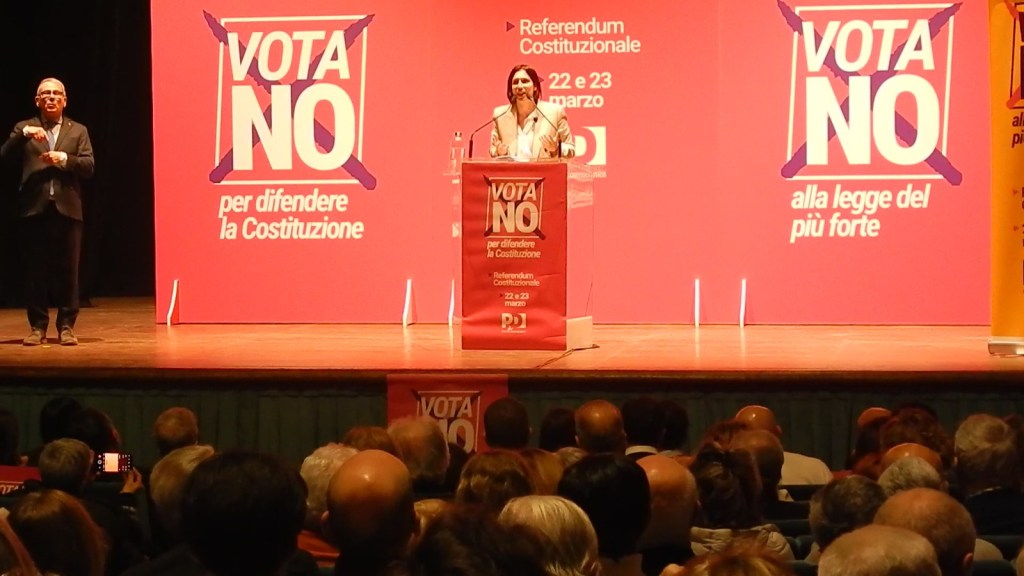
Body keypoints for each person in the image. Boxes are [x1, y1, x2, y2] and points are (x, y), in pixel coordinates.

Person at [1, 78, 94, 346]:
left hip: (68, 209)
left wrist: (65, 160)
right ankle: (37, 327)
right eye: (45, 94)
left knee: (69, 272)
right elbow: (4, 157)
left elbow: (89, 166)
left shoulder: (78, 130)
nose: (51, 98)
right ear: (37, 100)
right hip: (33, 209)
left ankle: (67, 326)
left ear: (65, 100)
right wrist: (23, 135)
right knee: (35, 272)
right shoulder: (24, 128)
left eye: (56, 94)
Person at [489, 65, 574, 160]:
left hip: (544, 173)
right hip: (511, 174)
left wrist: (556, 149)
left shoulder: (555, 112)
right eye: (515, 82)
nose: (520, 86)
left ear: (535, 87)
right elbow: (493, 149)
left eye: (525, 81)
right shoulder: (500, 115)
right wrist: (499, 152)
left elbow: (571, 149)